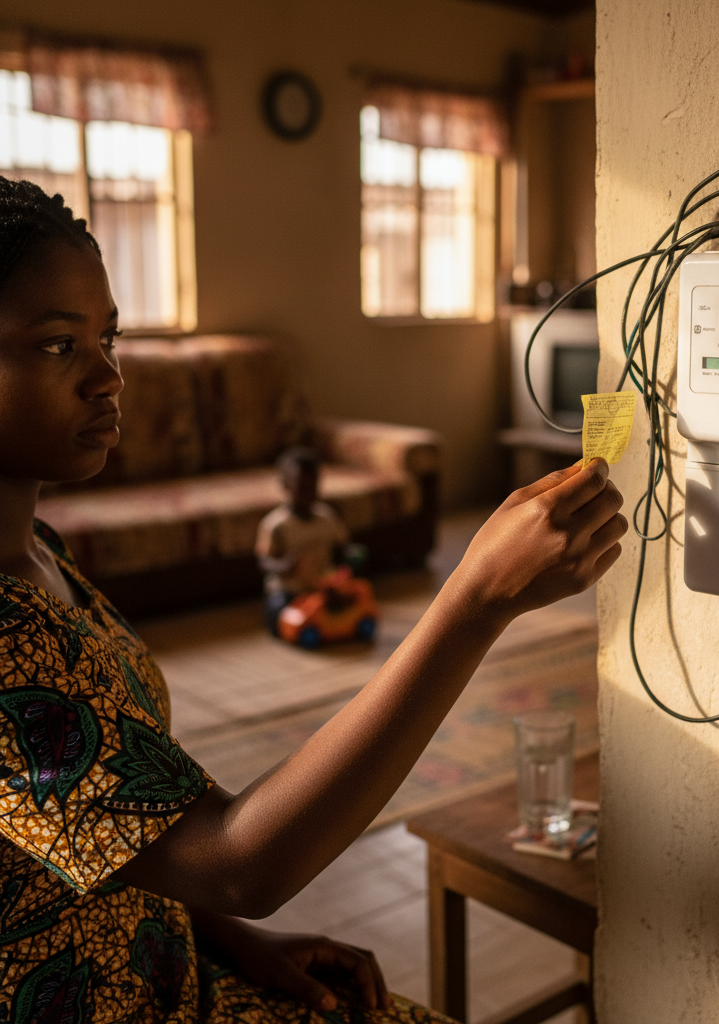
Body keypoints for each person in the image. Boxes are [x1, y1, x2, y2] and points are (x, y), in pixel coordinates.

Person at [0, 176, 627, 1022]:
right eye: (56, 346)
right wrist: (475, 598)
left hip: (181, 973)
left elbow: (110, 834)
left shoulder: (40, 553)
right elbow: (236, 861)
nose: (108, 376)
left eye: (107, 337)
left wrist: (231, 944)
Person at [255, 447, 357, 637]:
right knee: (279, 610)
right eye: (302, 486)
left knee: (352, 597)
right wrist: (284, 566)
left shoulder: (326, 517)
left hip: (322, 588)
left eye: (312, 486)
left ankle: (322, 623)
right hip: (290, 591)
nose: (307, 492)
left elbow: (343, 546)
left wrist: (350, 558)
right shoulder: (276, 525)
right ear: (286, 485)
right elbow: (264, 561)